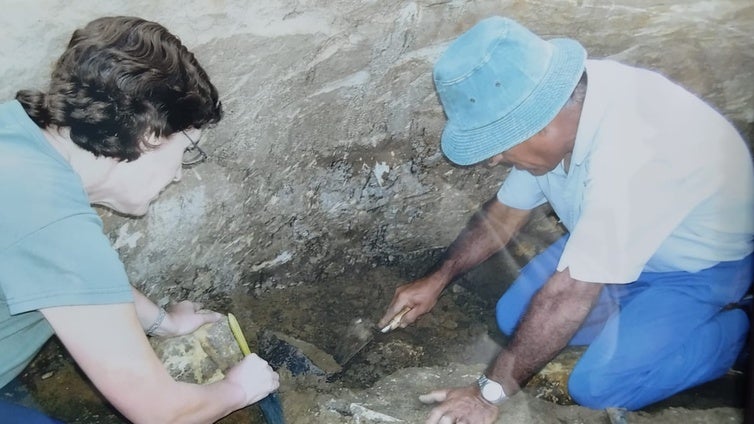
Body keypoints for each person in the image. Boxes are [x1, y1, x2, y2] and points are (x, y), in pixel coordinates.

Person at [378, 16, 754, 424]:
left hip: (696, 269)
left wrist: (486, 395)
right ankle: (634, 318)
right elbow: (504, 214)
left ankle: (737, 327)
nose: (494, 159)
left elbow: (569, 293)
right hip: (618, 246)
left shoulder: (637, 152)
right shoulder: (560, 105)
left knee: (596, 387)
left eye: (499, 147)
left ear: (542, 123)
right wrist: (436, 279)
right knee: (513, 318)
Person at [0, 16, 279, 423]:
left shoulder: (18, 135)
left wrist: (163, 323)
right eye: (186, 151)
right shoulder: (53, 224)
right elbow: (161, 413)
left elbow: (80, 285)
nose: (180, 172)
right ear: (150, 134)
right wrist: (240, 388)